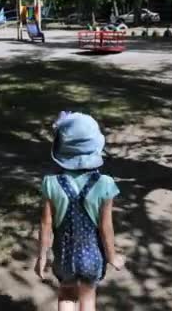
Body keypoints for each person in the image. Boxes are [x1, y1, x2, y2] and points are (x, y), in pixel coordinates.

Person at [35, 112, 125, 311]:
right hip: (92, 257)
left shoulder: (50, 183)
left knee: (66, 295)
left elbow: (46, 224)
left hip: (64, 256)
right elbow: (105, 227)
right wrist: (112, 256)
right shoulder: (105, 184)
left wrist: (42, 256)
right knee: (87, 298)